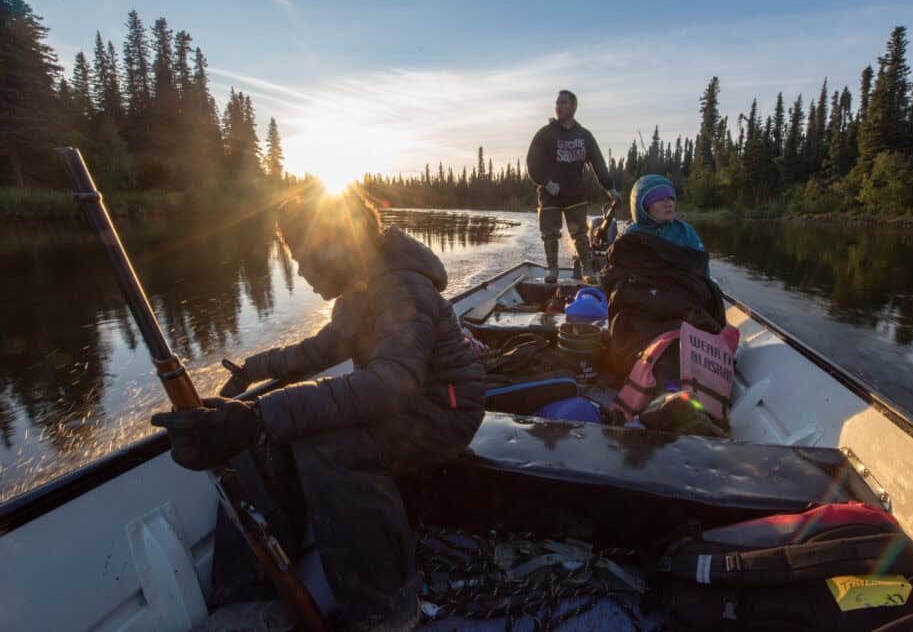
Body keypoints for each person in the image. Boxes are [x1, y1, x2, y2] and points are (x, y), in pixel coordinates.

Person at [150, 188, 486, 630]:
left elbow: (392, 385)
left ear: (335, 245)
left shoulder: (401, 286)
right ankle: (249, 598)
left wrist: (257, 416)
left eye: (304, 258)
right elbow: (322, 350)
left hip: (443, 412)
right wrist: (254, 371)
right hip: (407, 404)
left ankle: (389, 608)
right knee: (267, 432)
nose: (302, 272)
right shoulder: (360, 287)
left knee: (329, 443)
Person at [600, 174, 725, 374]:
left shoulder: (686, 233)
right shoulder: (630, 238)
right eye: (658, 198)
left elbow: (701, 274)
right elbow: (616, 280)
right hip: (646, 305)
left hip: (680, 301)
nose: (668, 203)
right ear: (641, 206)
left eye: (670, 197)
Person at [527, 89, 620, 284]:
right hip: (550, 193)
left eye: (563, 102)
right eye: (557, 103)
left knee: (579, 234)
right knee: (549, 233)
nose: (558, 106)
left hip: (575, 194)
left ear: (573, 106)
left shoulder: (584, 135)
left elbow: (598, 163)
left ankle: (587, 269)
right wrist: (546, 183)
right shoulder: (546, 134)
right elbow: (532, 162)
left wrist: (609, 188)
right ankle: (552, 269)